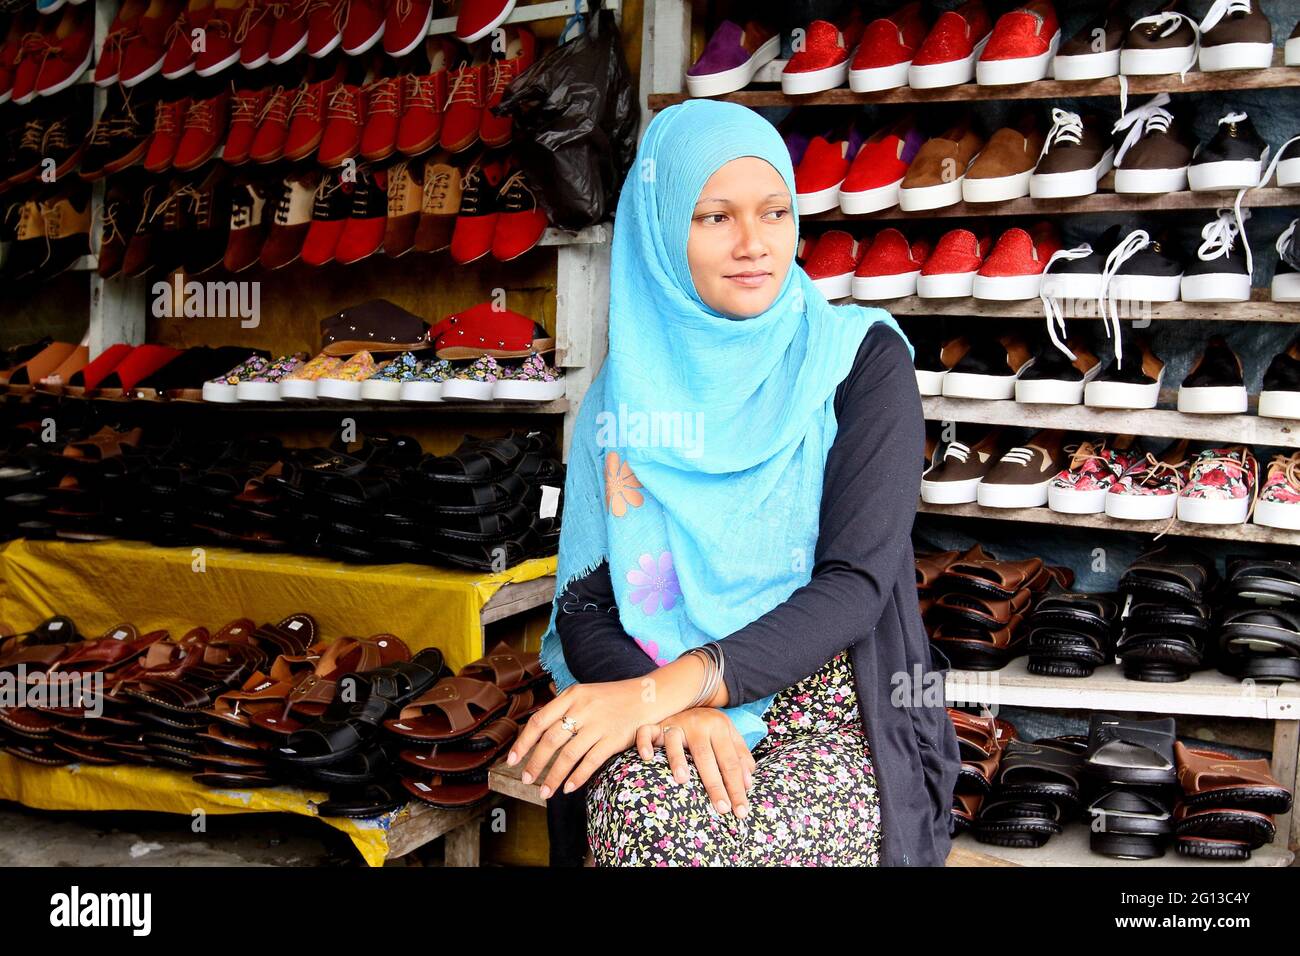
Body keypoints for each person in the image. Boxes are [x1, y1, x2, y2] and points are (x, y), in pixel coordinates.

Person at [507, 99, 960, 867]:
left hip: (831, 699)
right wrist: (663, 706)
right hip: (659, 684)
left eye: (775, 212)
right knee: (648, 812)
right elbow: (587, 603)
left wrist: (681, 688)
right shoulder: (623, 396)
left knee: (733, 837)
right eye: (714, 216)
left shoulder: (860, 362)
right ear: (660, 230)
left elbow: (856, 583)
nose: (754, 244)